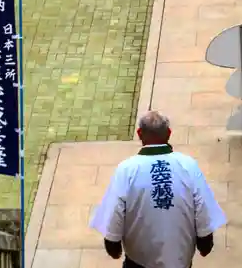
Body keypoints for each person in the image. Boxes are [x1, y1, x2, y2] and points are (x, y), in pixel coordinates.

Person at [90, 111, 226, 268]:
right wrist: (205, 243)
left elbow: (115, 214)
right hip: (180, 260)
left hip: (139, 262)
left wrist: (113, 245)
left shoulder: (126, 169)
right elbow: (202, 209)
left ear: (140, 133)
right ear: (169, 133)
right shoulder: (188, 165)